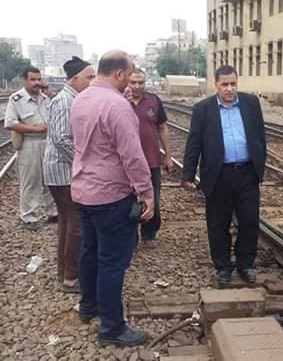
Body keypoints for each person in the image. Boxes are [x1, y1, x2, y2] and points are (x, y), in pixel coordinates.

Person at [70, 50, 154, 347]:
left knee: (90, 251)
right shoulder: (117, 105)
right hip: (110, 195)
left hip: (83, 191)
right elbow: (132, 155)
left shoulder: (80, 99)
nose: (130, 82)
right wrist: (146, 192)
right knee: (112, 262)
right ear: (119, 73)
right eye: (128, 76)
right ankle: (112, 328)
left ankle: (89, 306)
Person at [182, 65, 267, 285]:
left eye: (233, 84)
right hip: (218, 175)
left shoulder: (251, 103)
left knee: (249, 221)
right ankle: (223, 267)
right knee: (218, 224)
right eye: (225, 84)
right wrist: (188, 174)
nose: (229, 89)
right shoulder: (203, 109)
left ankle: (245, 264)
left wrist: (259, 165)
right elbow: (194, 143)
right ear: (216, 85)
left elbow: (259, 135)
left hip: (247, 172)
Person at [45, 56, 96, 293]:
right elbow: (61, 138)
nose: (92, 81)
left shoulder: (71, 98)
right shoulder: (66, 101)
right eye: (89, 77)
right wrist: (82, 162)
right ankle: (71, 277)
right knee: (75, 224)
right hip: (64, 172)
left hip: (63, 171)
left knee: (67, 222)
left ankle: (65, 271)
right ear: (75, 79)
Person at [4, 67, 58, 230]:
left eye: (39, 79)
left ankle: (53, 212)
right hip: (29, 143)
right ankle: (29, 216)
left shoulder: (46, 97)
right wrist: (35, 129)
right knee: (30, 181)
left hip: (48, 142)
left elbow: (60, 112)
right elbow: (10, 123)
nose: (37, 83)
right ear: (24, 81)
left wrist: (51, 94)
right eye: (33, 79)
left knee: (51, 179)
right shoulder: (16, 99)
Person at [126, 69, 173, 246]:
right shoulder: (119, 101)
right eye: (133, 82)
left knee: (153, 197)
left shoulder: (153, 101)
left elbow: (162, 128)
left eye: (141, 82)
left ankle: (149, 232)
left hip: (151, 160)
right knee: (128, 199)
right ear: (127, 82)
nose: (137, 86)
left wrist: (168, 155)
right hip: (127, 162)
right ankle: (131, 235)